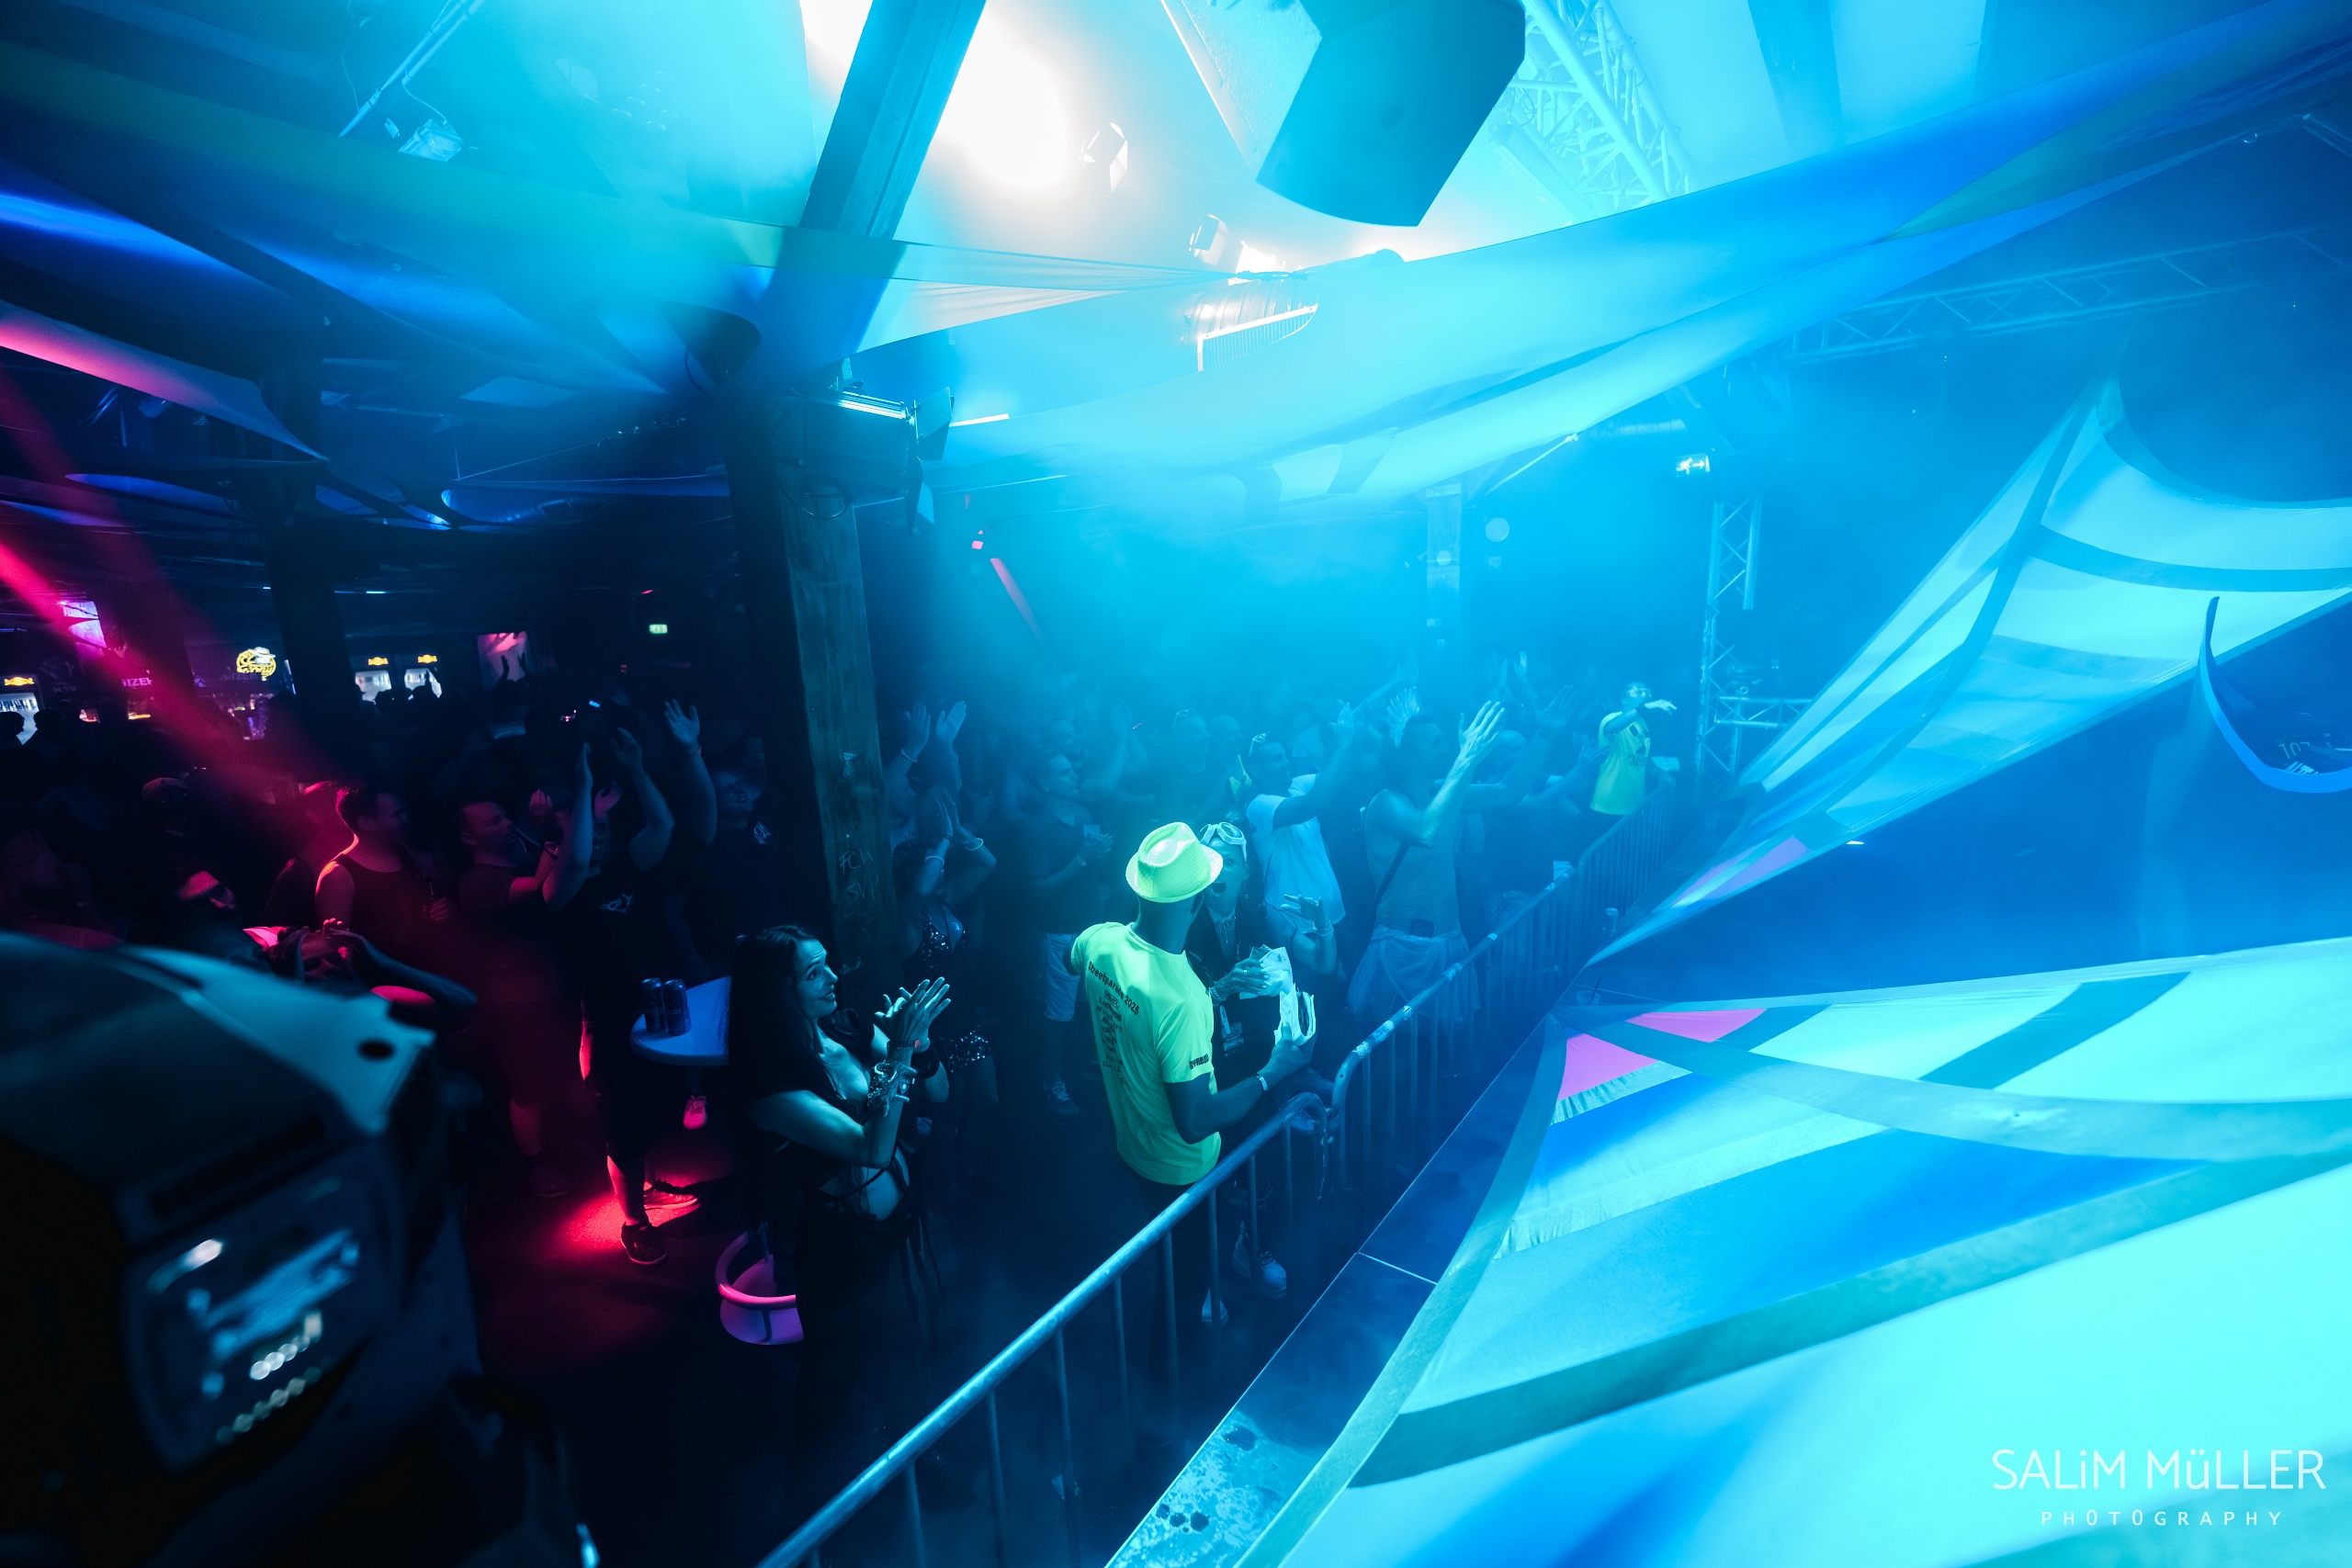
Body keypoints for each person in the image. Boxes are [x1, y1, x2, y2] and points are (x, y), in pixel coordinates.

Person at [729, 928, 949, 1497]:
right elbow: (871, 1147)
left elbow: (939, 1092)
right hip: (839, 1251)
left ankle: (916, 1462)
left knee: (903, 1347)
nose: (832, 978)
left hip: (895, 1229)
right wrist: (899, 1051)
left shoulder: (846, 1027)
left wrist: (918, 1042)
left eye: (827, 964)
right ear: (776, 992)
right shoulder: (771, 1086)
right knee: (833, 1374)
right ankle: (811, 1500)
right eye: (812, 973)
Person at [1075, 822, 1313, 1338]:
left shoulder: (1103, 941)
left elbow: (1078, 958)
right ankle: (1170, 1368)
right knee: (1182, 1288)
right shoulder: (1182, 998)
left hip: (1132, 1143)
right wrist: (1273, 1072)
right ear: (1196, 900)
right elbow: (1196, 1121)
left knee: (1170, 1258)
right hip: (1179, 1166)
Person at [543, 732, 687, 1265]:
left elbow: (663, 826)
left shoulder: (629, 866)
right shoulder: (561, 891)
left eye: (602, 829)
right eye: (587, 831)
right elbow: (577, 858)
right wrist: (582, 788)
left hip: (658, 1012)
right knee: (623, 1127)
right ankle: (634, 1221)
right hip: (610, 1025)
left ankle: (646, 1188)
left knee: (657, 1111)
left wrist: (638, 770)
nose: (596, 838)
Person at [455, 795, 591, 1197]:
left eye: (504, 817)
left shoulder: (521, 858)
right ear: (468, 838)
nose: (506, 824)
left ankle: (583, 1149)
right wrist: (557, 833)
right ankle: (536, 1169)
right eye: (493, 822)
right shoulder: (475, 881)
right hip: (521, 998)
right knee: (531, 1088)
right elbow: (539, 887)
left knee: (572, 1074)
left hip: (557, 986)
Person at [896, 793, 1000, 1187]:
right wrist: (941, 841)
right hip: (934, 1028)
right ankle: (946, 1184)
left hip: (965, 1019)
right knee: (948, 1112)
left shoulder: (948, 900)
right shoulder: (909, 917)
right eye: (932, 865)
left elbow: (987, 863)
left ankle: (969, 1165)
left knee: (987, 1101)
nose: (940, 870)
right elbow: (921, 891)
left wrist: (958, 832)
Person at [1017, 750, 1112, 1119]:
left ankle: (1088, 1066)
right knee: (1057, 1014)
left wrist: (1098, 857)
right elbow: (1037, 891)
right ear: (1044, 783)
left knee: (1095, 1003)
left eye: (1073, 770)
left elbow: (1091, 869)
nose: (1074, 775)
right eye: (1064, 772)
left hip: (1094, 928)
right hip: (1060, 934)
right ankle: (1052, 1083)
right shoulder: (1035, 827)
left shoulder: (1083, 814)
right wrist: (1083, 859)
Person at [313, 784, 444, 967]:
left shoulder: (404, 853)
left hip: (421, 972)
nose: (405, 819)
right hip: (378, 979)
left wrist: (441, 910)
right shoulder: (338, 874)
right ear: (365, 822)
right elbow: (337, 949)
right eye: (396, 814)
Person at [1592, 682, 1674, 818]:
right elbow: (1611, 728)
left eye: (1646, 692)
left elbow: (1641, 758)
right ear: (1624, 700)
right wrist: (1644, 708)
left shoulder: (1642, 724)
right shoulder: (1612, 718)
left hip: (1634, 805)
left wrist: (1659, 772)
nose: (1644, 696)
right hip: (1608, 804)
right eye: (1639, 692)